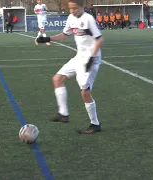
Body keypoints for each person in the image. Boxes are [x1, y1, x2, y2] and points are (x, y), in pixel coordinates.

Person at [35, 0, 103, 134]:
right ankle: (63, 114)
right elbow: (65, 35)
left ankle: (95, 124)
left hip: (91, 58)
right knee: (57, 79)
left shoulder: (88, 19)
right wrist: (48, 39)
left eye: (75, 8)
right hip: (79, 57)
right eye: (70, 8)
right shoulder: (71, 18)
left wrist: (91, 58)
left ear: (82, 6)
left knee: (85, 92)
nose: (72, 11)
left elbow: (99, 39)